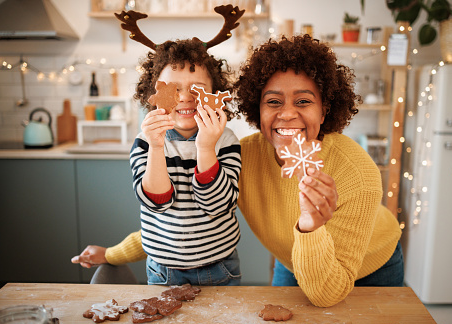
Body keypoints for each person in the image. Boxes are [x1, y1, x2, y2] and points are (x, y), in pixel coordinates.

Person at [73, 35, 403, 307]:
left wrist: (311, 226)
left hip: (370, 266)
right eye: (273, 102)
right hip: (295, 259)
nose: (287, 115)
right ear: (256, 110)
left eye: (303, 101)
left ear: (325, 108)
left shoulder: (356, 173)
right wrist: (113, 254)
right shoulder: (244, 158)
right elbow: (178, 228)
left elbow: (327, 293)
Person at [71, 38, 242, 287]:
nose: (185, 98)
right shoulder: (145, 143)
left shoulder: (225, 140)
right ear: (155, 95)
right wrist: (157, 146)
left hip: (219, 267)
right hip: (163, 271)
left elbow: (217, 204)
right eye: (173, 89)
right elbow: (157, 202)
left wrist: (205, 147)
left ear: (215, 95)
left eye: (197, 89)